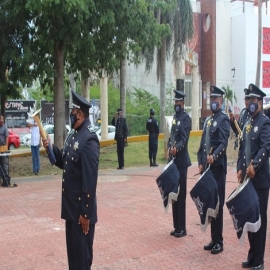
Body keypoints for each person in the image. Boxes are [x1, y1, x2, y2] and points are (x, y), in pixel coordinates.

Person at [42, 91, 99, 270]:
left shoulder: (89, 139)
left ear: (80, 114)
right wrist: (51, 148)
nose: (71, 115)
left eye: (73, 111)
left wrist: (85, 214)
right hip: (71, 211)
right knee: (74, 262)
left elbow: (90, 181)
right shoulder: (74, 134)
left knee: (82, 262)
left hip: (81, 214)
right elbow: (65, 162)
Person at [237, 84, 270, 270]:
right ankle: (251, 255)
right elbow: (243, 149)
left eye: (253, 100)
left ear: (260, 102)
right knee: (250, 218)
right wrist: (241, 168)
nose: (250, 103)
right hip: (247, 179)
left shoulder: (264, 122)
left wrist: (254, 166)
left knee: (260, 221)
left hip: (260, 180)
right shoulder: (248, 123)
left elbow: (266, 147)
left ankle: (259, 260)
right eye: (248, 99)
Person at [197, 86, 230, 254]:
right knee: (211, 204)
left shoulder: (223, 120)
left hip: (217, 169)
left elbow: (223, 143)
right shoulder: (208, 120)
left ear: (221, 101)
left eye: (216, 99)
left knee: (218, 205)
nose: (213, 102)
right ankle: (213, 238)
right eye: (212, 99)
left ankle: (219, 241)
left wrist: (214, 156)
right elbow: (203, 144)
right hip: (208, 169)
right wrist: (201, 161)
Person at [167, 89, 191, 238]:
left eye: (178, 102)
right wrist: (170, 147)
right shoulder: (175, 118)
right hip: (173, 161)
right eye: (175, 101)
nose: (176, 104)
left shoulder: (186, 118)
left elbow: (184, 138)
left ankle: (182, 227)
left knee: (181, 195)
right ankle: (176, 226)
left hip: (181, 162)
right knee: (174, 194)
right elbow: (172, 136)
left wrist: (177, 149)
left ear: (183, 103)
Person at [0, 115, 11, 187]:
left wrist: (6, 146)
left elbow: (7, 137)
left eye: (1, 120)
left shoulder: (5, 127)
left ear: (3, 120)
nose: (0, 121)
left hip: (3, 146)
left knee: (4, 164)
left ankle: (5, 180)